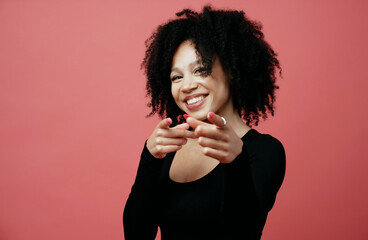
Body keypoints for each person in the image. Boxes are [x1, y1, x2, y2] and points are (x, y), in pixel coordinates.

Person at [123, 6, 286, 240]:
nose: (186, 85)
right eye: (177, 77)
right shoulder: (167, 148)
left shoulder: (264, 151)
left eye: (200, 69)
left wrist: (235, 163)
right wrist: (149, 158)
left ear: (232, 69)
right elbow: (136, 235)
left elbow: (241, 234)